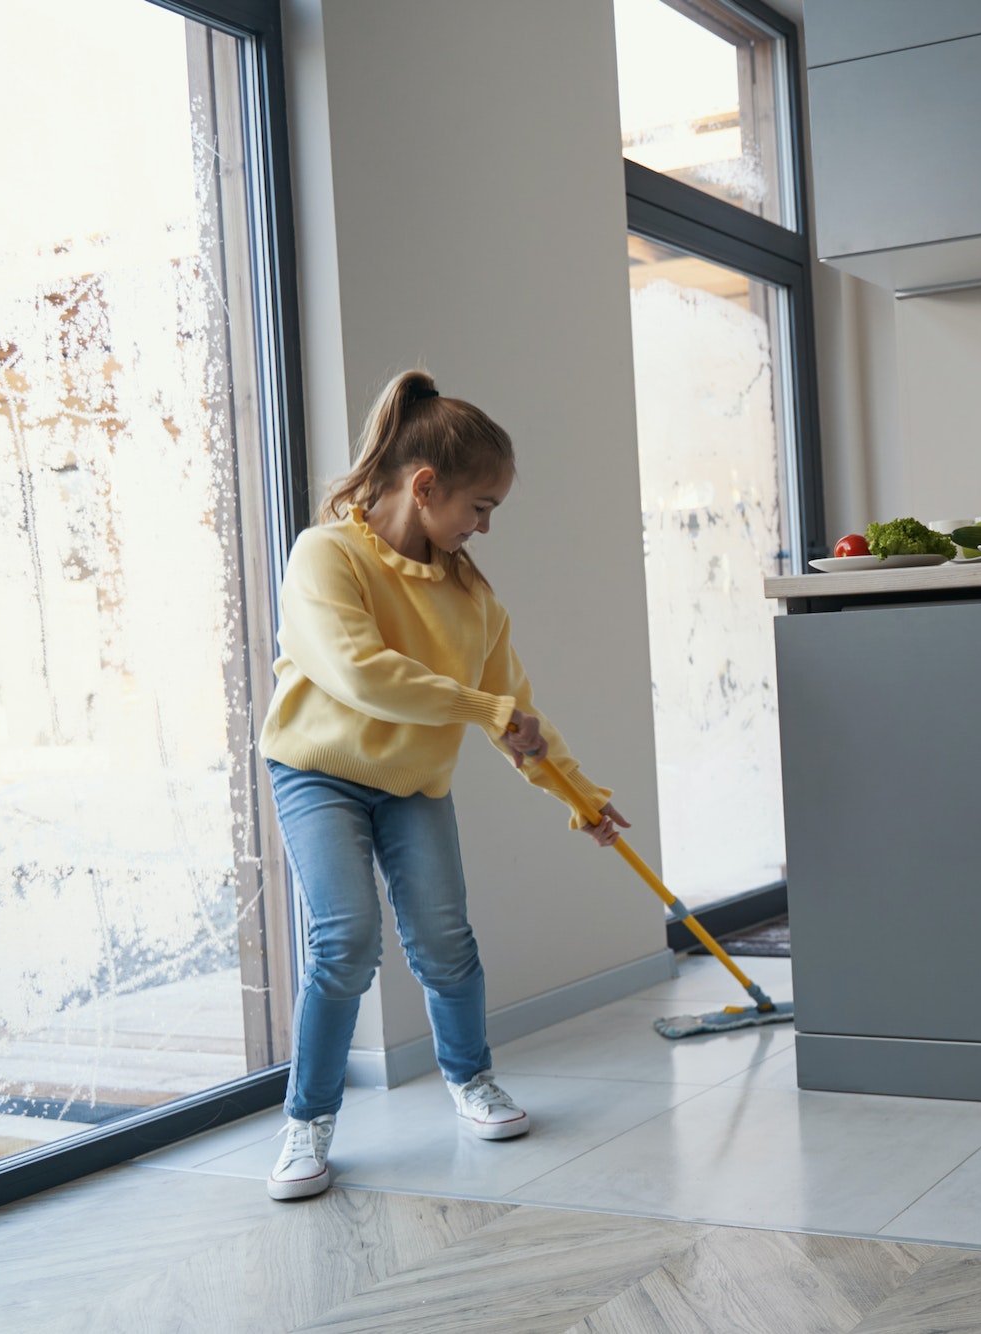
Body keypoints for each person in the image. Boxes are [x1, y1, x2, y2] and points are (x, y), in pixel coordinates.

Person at [258, 369, 630, 1201]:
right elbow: (360, 674)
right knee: (346, 942)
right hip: (318, 774)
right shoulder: (326, 556)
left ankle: (471, 1080)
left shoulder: (473, 603)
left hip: (411, 783)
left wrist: (583, 799)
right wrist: (479, 707)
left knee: (445, 941)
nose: (486, 526)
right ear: (425, 487)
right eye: (479, 507)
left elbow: (519, 719)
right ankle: (307, 1122)